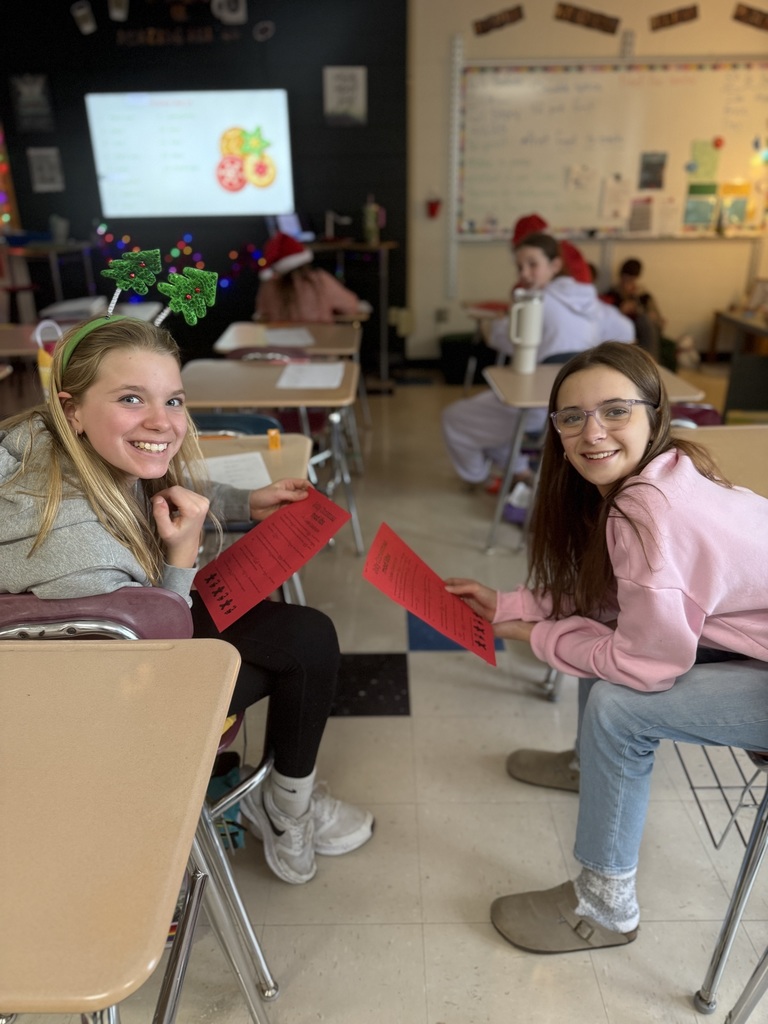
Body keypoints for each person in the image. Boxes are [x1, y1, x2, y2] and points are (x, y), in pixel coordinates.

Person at [0, 315, 373, 886]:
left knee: (307, 635)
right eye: (131, 398)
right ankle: (284, 813)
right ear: (72, 408)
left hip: (114, 629)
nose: (163, 422)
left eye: (173, 400)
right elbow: (161, 659)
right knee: (306, 649)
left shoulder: (46, 440)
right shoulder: (73, 543)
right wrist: (181, 560)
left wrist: (244, 500)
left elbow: (152, 480)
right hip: (106, 697)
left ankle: (284, 803)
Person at [444, 342, 768, 953]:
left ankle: (606, 905)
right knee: (611, 640)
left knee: (621, 708)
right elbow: (623, 600)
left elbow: (642, 667)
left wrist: (536, 635)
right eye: (572, 417)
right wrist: (515, 605)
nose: (592, 433)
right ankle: (587, 763)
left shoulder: (649, 515)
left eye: (615, 411)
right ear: (558, 430)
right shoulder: (664, 470)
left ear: (653, 413)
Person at [441, 233, 634, 487]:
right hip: (585, 410)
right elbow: (626, 330)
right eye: (520, 267)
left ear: (555, 265)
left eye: (532, 264)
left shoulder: (535, 300)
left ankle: (480, 478)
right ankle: (521, 473)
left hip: (540, 409)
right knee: (501, 419)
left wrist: (492, 327)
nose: (525, 273)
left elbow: (504, 337)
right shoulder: (589, 300)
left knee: (455, 417)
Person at [254, 231, 372, 322]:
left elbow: (261, 314)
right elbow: (350, 305)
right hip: (319, 349)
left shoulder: (269, 286)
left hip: (280, 351)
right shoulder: (320, 281)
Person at [601, 257, 665, 359]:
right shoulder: (611, 295)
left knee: (645, 320)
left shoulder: (644, 296)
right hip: (621, 333)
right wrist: (620, 312)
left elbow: (659, 322)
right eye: (624, 279)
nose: (627, 284)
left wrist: (647, 314)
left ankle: (650, 361)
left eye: (631, 280)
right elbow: (604, 321)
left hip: (642, 333)